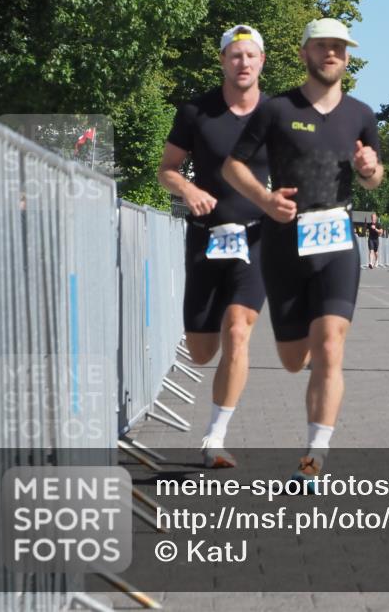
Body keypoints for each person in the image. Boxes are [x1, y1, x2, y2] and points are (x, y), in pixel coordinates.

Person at [222, 17, 382, 482]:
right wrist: (265, 200)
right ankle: (308, 350)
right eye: (322, 46)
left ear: (347, 57)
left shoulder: (361, 115)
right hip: (283, 243)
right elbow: (233, 167)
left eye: (339, 47)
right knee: (295, 359)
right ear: (304, 53)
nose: (331, 53)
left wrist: (370, 169)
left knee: (331, 346)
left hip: (336, 241)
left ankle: (315, 455)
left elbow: (375, 178)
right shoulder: (274, 110)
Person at [157, 24, 269, 468]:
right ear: (223, 61)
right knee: (203, 350)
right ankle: (214, 337)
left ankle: (215, 437)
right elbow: (167, 168)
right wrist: (186, 189)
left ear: (262, 61)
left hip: (257, 240)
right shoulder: (195, 112)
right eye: (235, 55)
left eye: (251, 55)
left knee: (239, 332)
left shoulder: (275, 114)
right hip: (206, 238)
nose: (243, 63)